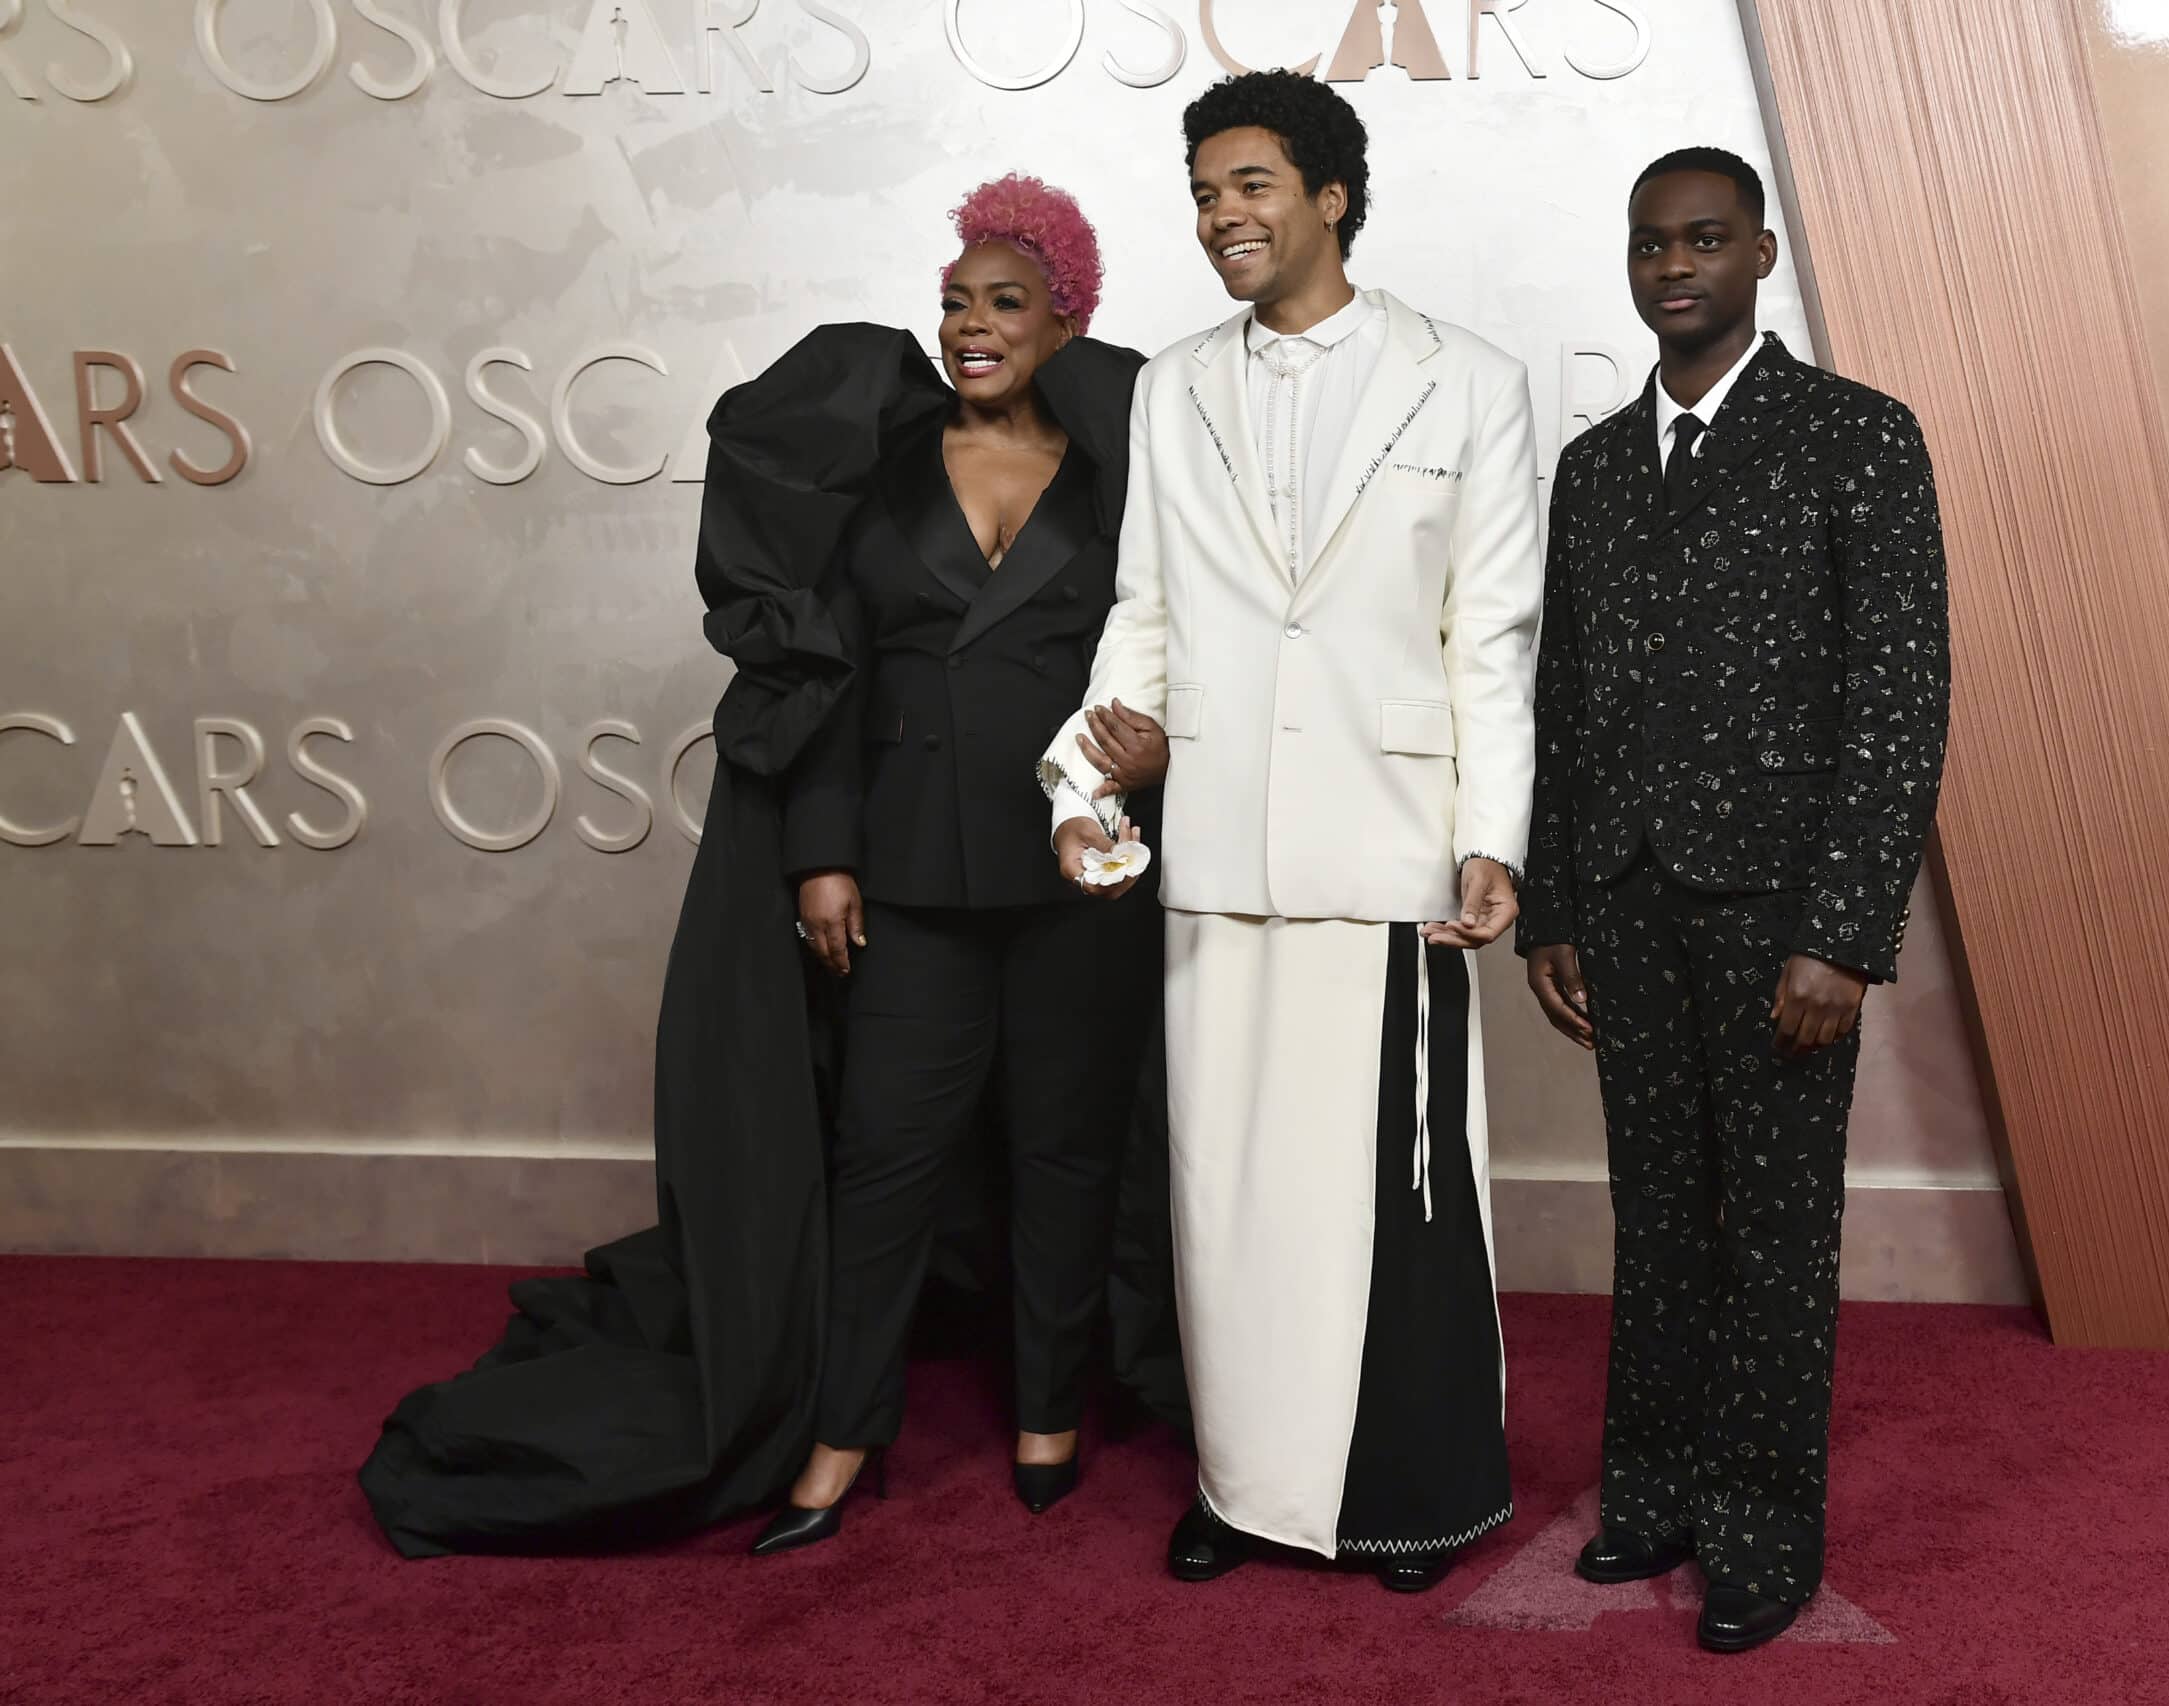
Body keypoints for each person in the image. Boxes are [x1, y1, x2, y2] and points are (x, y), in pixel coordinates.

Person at [358, 175, 1181, 1559]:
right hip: (907, 874)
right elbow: (828, 679)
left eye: (1007, 302)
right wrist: (821, 859)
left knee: (1063, 1147)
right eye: (956, 301)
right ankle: (845, 1426)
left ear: (1068, 316)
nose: (972, 325)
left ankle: (1048, 1408)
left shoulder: (1120, 483)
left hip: (1075, 875)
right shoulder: (876, 464)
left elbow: (1166, 652)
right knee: (884, 1157)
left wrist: (1159, 754)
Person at [1041, 71, 1543, 1595]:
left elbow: (1492, 635)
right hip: (1221, 857)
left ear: (1331, 194)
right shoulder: (1170, 383)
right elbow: (1146, 614)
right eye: (1203, 192)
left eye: (1251, 184)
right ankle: (1245, 1487)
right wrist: (1085, 786)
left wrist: (1493, 835)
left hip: (1391, 854)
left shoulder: (1470, 380)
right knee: (1228, 1197)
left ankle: (1413, 1494)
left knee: (1396, 1192)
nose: (1221, 216)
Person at [1516, 146, 1951, 1652]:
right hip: (1625, 901)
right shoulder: (1589, 467)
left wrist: (1843, 932)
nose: (1675, 267)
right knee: (1657, 1212)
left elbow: (1901, 702)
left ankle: (1762, 1529)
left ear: (1763, 251)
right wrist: (1556, 899)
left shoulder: (1857, 438)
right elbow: (1564, 699)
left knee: (1774, 1223)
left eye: (1706, 240)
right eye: (1651, 244)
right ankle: (1648, 1492)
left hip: (1783, 919)